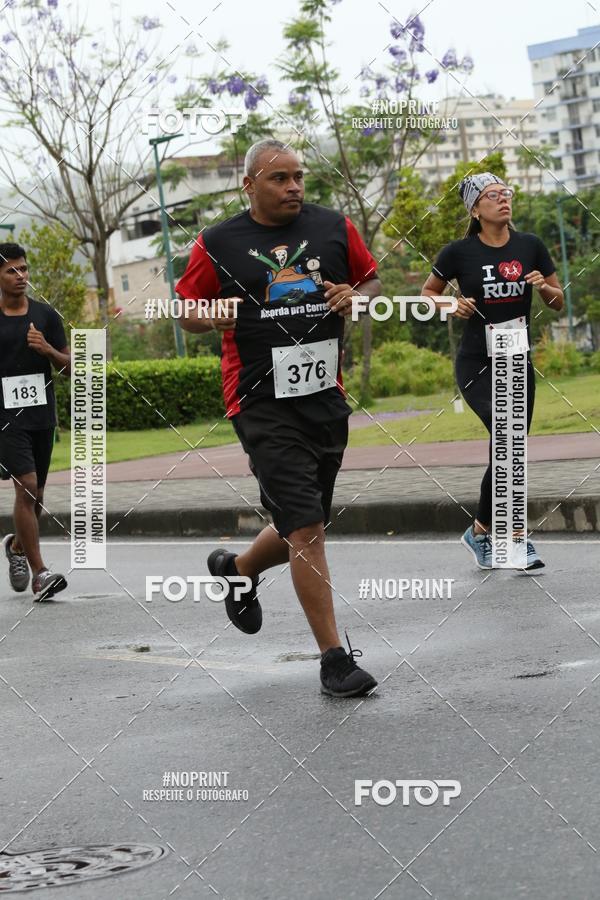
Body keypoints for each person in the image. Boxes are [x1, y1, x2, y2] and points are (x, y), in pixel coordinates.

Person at [177, 139, 382, 697]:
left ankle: (239, 569)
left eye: (299, 177)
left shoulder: (336, 226)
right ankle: (334, 660)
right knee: (309, 529)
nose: (294, 187)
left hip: (324, 395)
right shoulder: (218, 241)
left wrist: (354, 296)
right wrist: (207, 314)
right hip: (259, 400)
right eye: (280, 179)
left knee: (306, 521)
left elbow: (370, 279)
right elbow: (186, 308)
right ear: (250, 186)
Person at [421, 173, 564, 571]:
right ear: (475, 208)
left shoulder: (530, 246)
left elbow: (559, 302)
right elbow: (428, 295)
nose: (503, 200)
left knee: (510, 445)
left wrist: (544, 288)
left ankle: (481, 530)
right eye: (492, 195)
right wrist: (453, 306)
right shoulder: (458, 253)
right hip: (477, 363)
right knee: (506, 435)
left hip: (517, 359)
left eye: (506, 193)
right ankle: (516, 541)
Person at [0, 243, 70, 600]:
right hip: (4, 418)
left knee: (37, 495)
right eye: (12, 270)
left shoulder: (45, 317)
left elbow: (71, 367)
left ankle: (16, 548)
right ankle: (41, 574)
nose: (21, 276)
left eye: (24, 269)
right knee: (26, 486)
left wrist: (48, 350)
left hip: (41, 416)